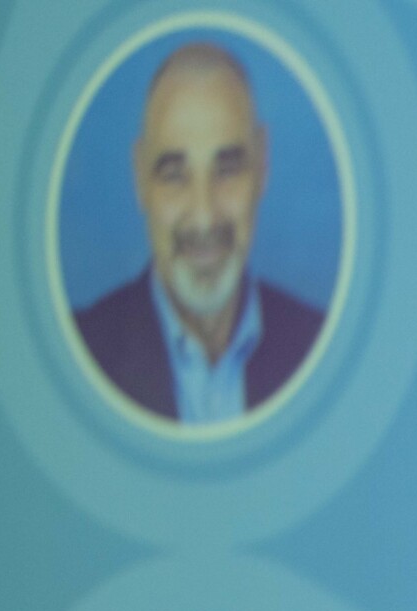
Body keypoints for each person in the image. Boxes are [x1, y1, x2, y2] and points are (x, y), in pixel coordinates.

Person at [74, 40, 323, 424]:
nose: (204, 217)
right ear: (140, 179)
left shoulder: (318, 349)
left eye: (227, 169)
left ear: (263, 164)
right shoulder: (78, 357)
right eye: (174, 174)